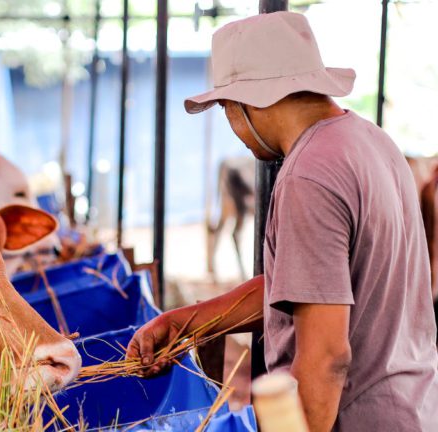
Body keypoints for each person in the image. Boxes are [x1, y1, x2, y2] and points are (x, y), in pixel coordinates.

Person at [127, 11, 438, 432]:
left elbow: (327, 357)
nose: (231, 124)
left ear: (247, 101)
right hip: (413, 408)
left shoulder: (309, 173)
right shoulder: (373, 141)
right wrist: (187, 320)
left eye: (225, 108)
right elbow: (311, 287)